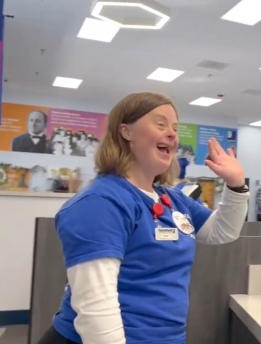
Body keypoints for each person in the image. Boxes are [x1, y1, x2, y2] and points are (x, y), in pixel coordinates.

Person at [37, 92, 249, 344]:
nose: (172, 134)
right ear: (126, 132)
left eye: (174, 128)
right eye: (160, 124)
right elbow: (96, 309)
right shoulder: (101, 203)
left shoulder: (173, 199)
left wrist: (236, 185)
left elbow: (222, 232)